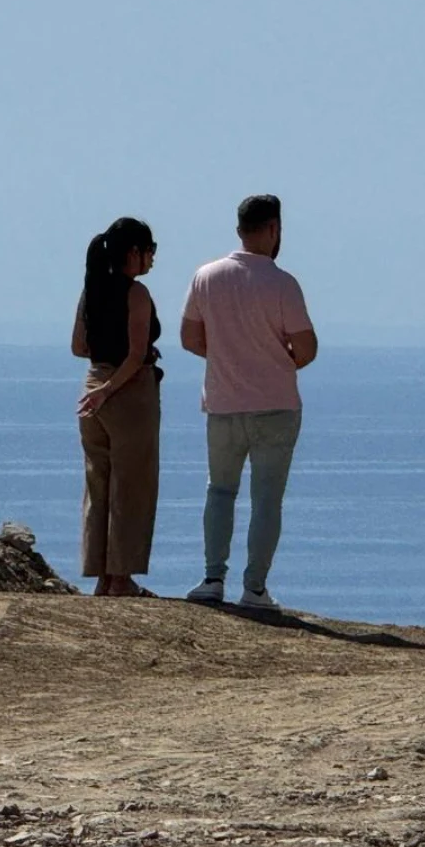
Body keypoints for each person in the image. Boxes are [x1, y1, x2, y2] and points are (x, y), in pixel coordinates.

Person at [179, 194, 317, 610]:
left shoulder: (206, 276)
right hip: (275, 404)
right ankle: (254, 587)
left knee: (220, 491)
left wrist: (228, 356)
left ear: (239, 229)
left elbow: (190, 337)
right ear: (274, 228)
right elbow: (306, 348)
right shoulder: (282, 283)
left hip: (223, 403)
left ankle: (212, 578)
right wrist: (277, 359)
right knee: (266, 500)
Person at [71, 217, 162, 597]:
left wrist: (100, 383)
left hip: (91, 388)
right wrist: (110, 389)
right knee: (132, 486)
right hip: (126, 395)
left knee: (98, 485)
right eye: (150, 251)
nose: (152, 259)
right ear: (133, 253)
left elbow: (79, 347)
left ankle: (101, 576)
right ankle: (121, 577)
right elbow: (136, 355)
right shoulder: (136, 293)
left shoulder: (91, 289)